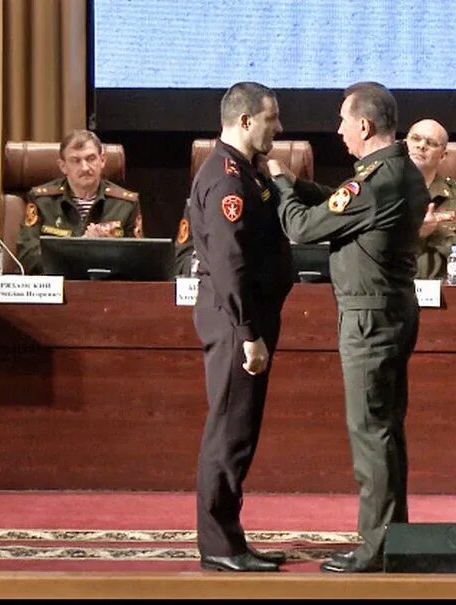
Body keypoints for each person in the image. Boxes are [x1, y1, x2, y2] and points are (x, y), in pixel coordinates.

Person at [267, 82, 429, 573]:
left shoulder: (376, 181)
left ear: (364, 124)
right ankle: (392, 538)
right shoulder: (398, 173)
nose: (338, 130)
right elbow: (341, 204)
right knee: (387, 430)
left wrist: (278, 183)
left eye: (343, 121)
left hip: (368, 317)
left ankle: (376, 547)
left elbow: (303, 228)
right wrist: (301, 184)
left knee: (370, 432)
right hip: (393, 310)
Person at [188, 82, 293, 573]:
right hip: (236, 321)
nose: (279, 127)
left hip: (245, 317)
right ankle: (218, 545)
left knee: (239, 432)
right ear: (247, 120)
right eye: (272, 118)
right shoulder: (228, 179)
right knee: (228, 433)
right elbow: (230, 262)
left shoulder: (247, 172)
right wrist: (249, 332)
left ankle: (231, 538)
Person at [16, 129, 143, 275]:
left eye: (90, 159)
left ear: (102, 160)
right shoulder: (41, 201)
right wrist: (81, 247)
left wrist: (108, 249)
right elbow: (27, 258)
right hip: (57, 290)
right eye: (76, 160)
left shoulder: (126, 203)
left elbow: (138, 263)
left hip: (106, 290)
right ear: (63, 166)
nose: (84, 167)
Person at [405, 119, 456, 281]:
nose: (421, 145)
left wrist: (438, 232)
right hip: (394, 293)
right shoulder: (383, 192)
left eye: (431, 143)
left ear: (443, 156)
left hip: (446, 296)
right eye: (415, 138)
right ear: (404, 144)